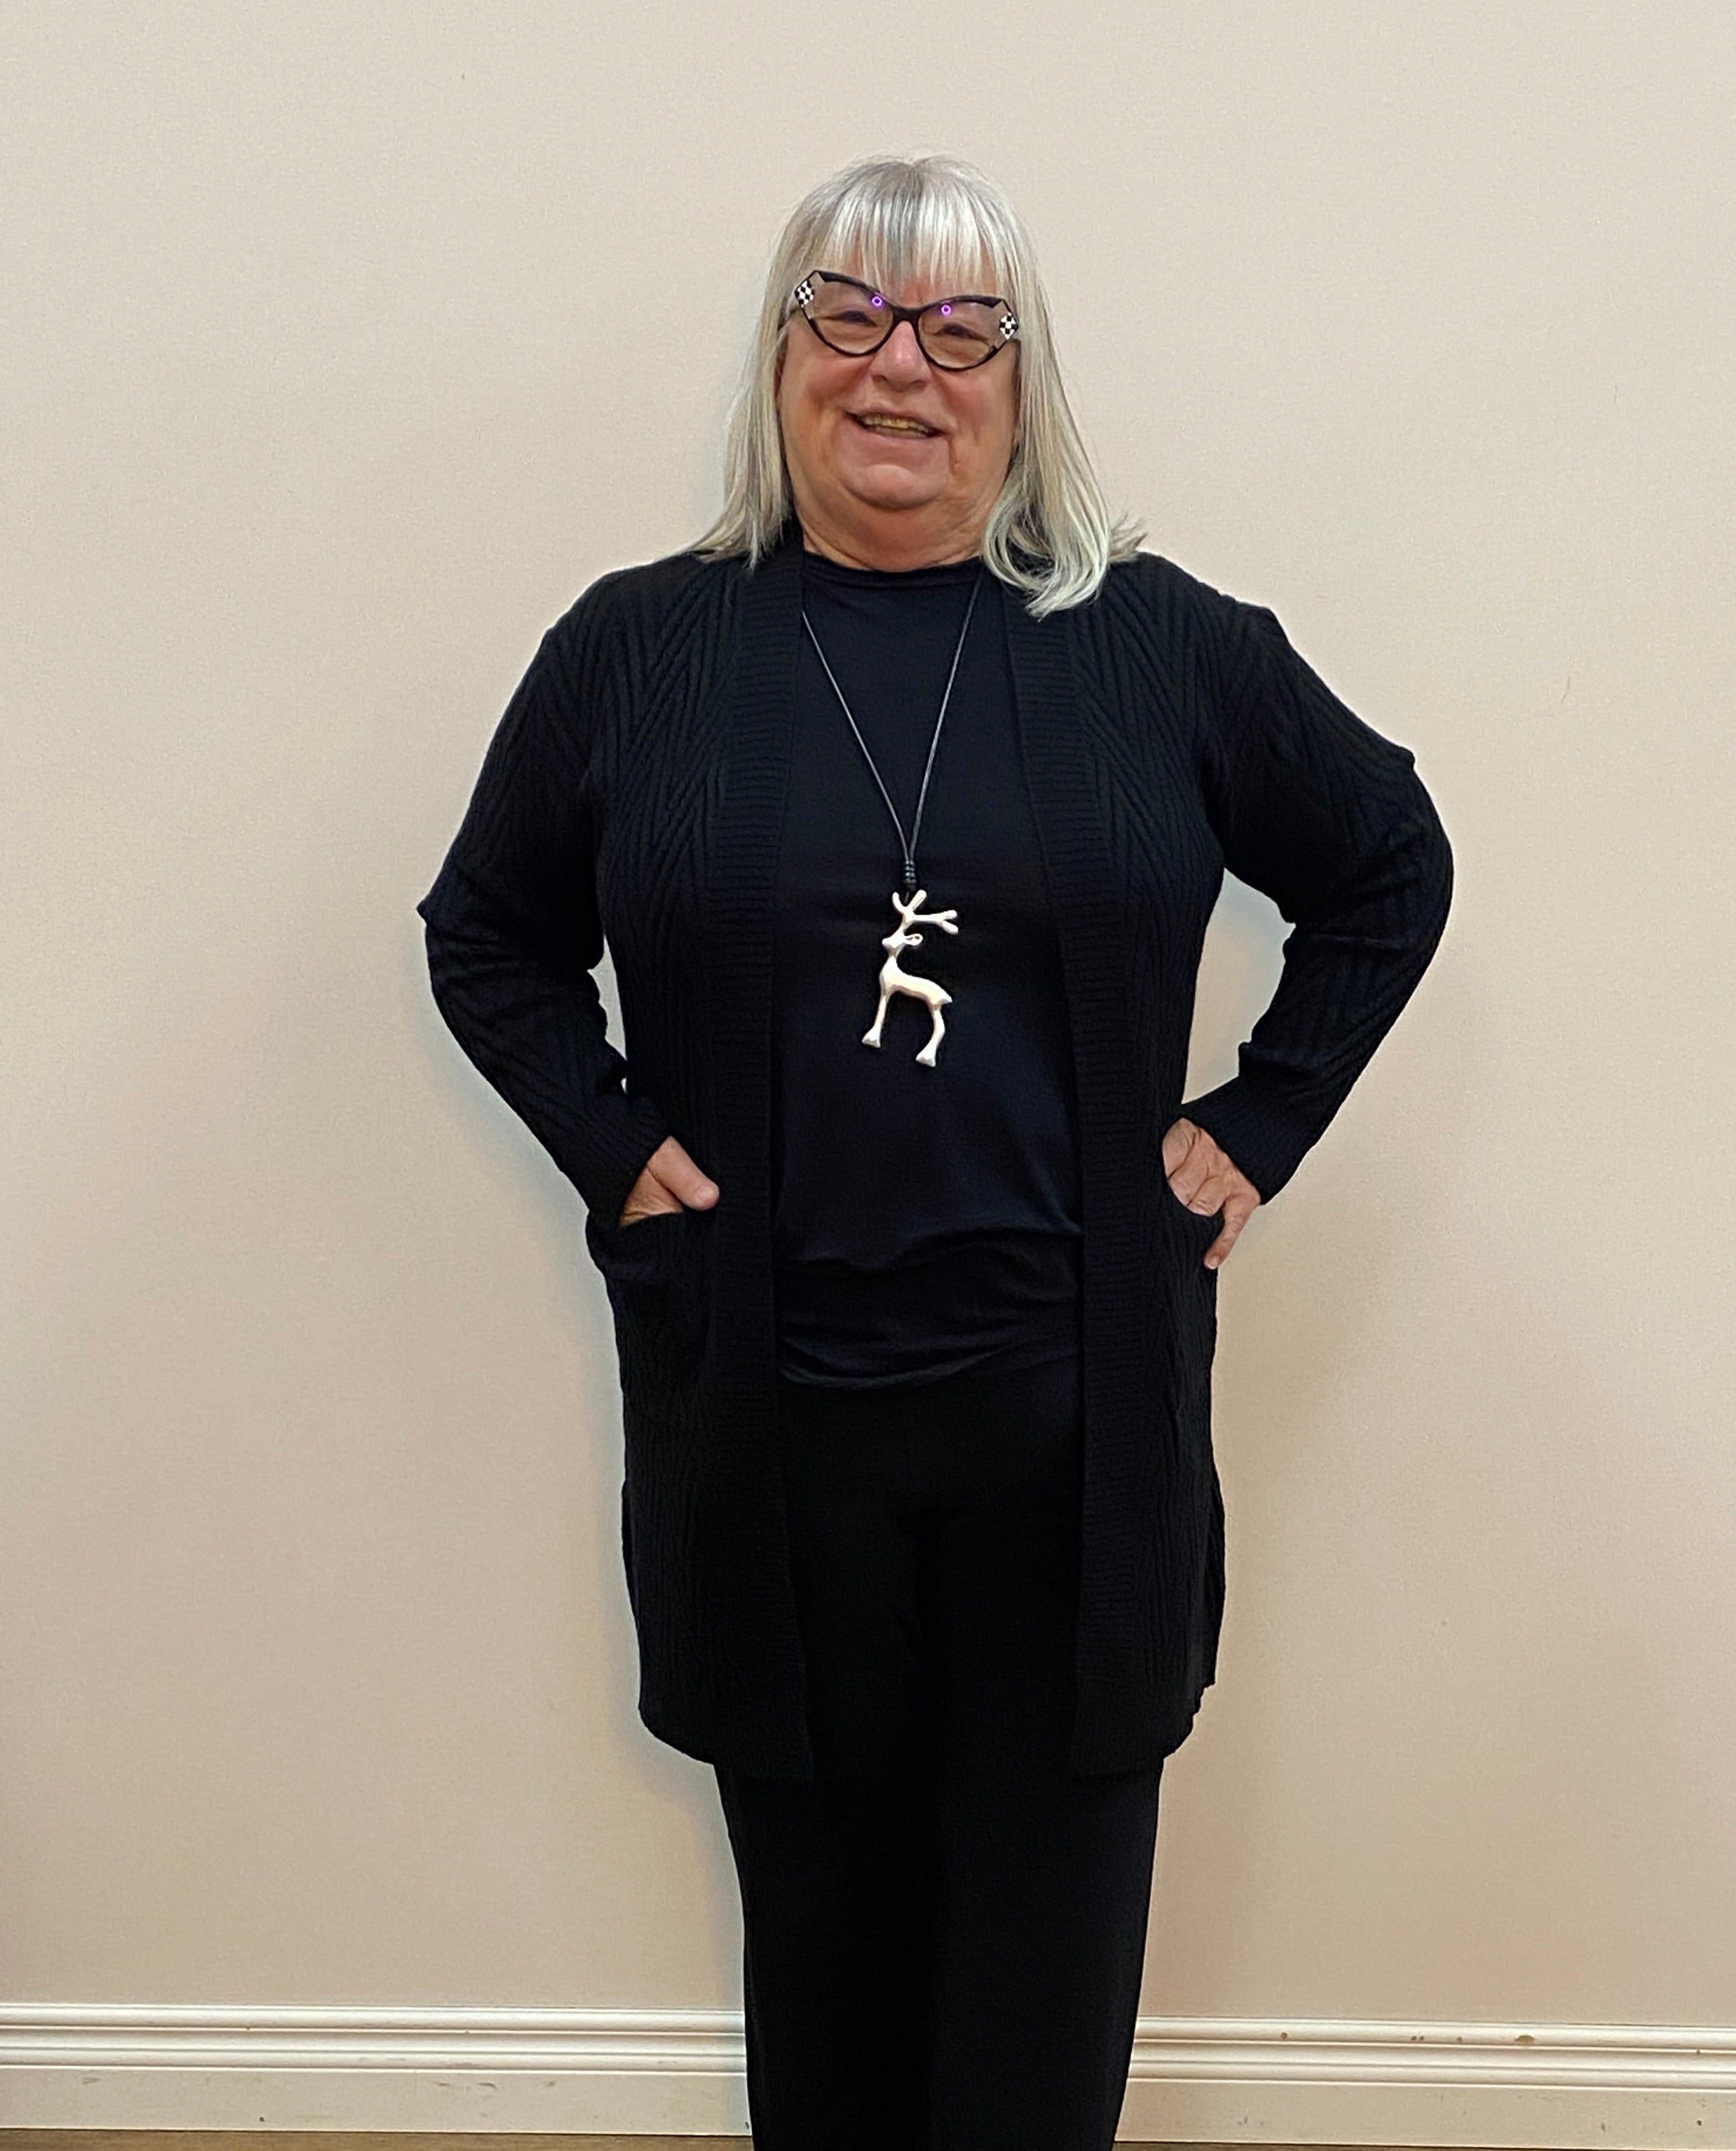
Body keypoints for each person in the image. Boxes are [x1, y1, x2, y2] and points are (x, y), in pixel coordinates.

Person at [416, 152, 1453, 2151]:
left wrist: (1261, 1121)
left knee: (1041, 2016)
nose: (904, 364)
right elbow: (487, 932)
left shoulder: (1155, 645)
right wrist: (616, 1147)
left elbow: (1387, 858)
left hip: (1078, 1446)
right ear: (783, 356)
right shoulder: (642, 651)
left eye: (962, 323)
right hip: (777, 1444)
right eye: (851, 312)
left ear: (1022, 375)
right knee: (827, 1989)